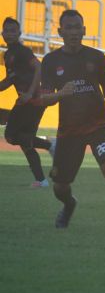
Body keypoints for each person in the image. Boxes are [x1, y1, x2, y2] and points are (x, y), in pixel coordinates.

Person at [40, 9, 105, 234]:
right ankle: (69, 204)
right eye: (69, 28)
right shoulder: (51, 61)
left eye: (78, 27)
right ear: (60, 31)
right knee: (60, 185)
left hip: (98, 126)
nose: (74, 32)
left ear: (84, 30)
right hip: (69, 131)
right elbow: (44, 98)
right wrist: (60, 94)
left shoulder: (96, 57)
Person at [1, 17, 54, 188]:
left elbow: (39, 67)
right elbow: (9, 80)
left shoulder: (22, 51)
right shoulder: (8, 55)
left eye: (12, 30)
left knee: (10, 135)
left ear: (19, 33)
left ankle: (50, 145)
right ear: (2, 34)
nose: (9, 33)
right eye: (6, 30)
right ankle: (41, 180)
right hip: (30, 101)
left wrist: (30, 93)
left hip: (31, 100)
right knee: (25, 142)